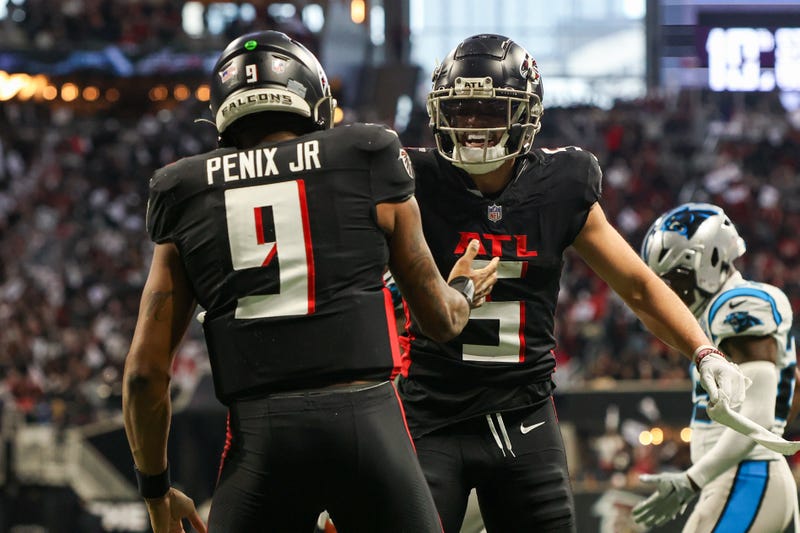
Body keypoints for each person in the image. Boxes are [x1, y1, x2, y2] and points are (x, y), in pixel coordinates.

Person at [122, 30, 499, 533]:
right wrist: (466, 290)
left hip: (262, 441)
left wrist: (156, 490)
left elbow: (145, 374)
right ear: (313, 99)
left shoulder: (183, 190)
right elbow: (440, 320)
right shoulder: (368, 153)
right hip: (369, 427)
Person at [394, 33, 748, 533]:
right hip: (428, 412)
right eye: (462, 109)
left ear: (526, 113)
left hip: (525, 417)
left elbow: (638, 286)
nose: (472, 125)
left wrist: (703, 350)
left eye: (488, 110)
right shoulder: (410, 180)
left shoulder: (561, 185)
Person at [633, 202, 798, 532]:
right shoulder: (714, 314)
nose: (669, 292)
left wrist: (691, 480)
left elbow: (759, 417)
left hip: (746, 476)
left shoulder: (738, 304)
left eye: (675, 278)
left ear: (708, 261)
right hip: (741, 477)